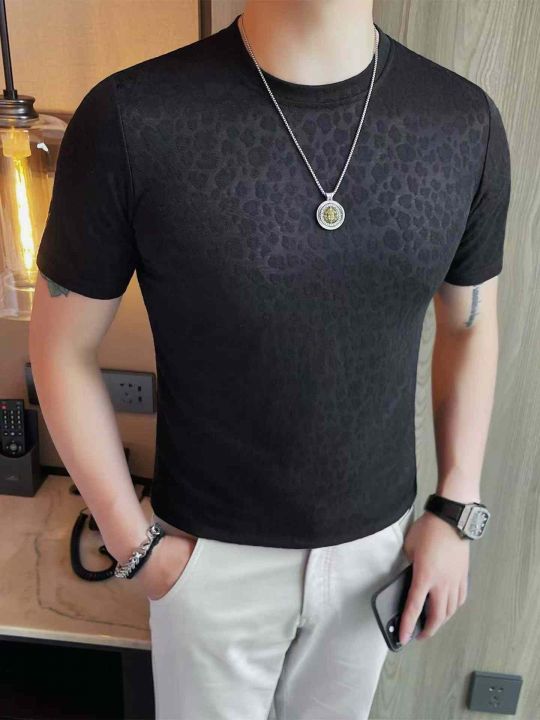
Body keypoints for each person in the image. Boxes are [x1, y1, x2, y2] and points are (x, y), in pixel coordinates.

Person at [29, 1, 511, 718]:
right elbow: (60, 346)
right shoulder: (133, 118)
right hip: (205, 558)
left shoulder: (464, 124)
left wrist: (455, 508)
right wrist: (136, 546)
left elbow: (470, 325)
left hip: (376, 555)